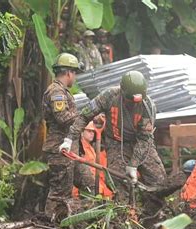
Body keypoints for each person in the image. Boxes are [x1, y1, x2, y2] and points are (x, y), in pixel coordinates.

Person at [59, 71, 166, 190]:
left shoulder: (148, 107)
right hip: (116, 142)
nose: (133, 104)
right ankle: (124, 206)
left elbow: (144, 139)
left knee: (159, 180)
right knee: (119, 182)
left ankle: (154, 205)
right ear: (123, 92)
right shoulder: (109, 96)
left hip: (140, 143)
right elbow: (84, 116)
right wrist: (69, 138)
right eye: (130, 100)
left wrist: (133, 165)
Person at [42, 53, 94, 220]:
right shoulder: (56, 92)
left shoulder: (62, 92)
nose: (75, 77)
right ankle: (49, 228)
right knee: (59, 194)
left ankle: (86, 221)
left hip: (71, 152)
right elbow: (63, 118)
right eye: (75, 73)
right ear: (69, 73)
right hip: (60, 151)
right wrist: (85, 115)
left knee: (89, 184)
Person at [72, 121, 113, 199]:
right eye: (89, 131)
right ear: (82, 132)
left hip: (96, 179)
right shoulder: (79, 147)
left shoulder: (90, 147)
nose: (92, 134)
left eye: (93, 132)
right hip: (86, 183)